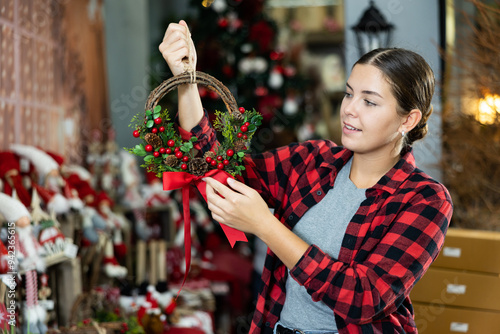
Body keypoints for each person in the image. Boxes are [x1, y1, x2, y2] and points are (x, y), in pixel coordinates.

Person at [159, 20, 453, 334]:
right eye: (348, 94)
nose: (349, 110)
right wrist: (187, 81)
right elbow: (219, 170)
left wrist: (265, 225)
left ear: (408, 119)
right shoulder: (313, 161)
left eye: (369, 101)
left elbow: (363, 298)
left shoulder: (424, 200)